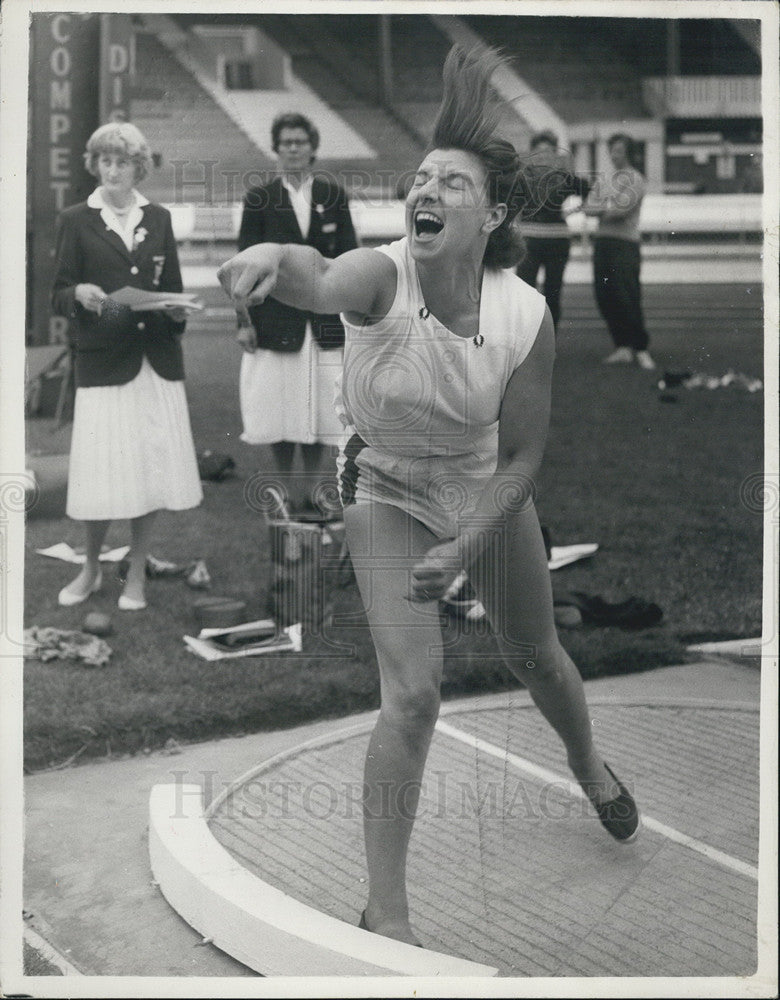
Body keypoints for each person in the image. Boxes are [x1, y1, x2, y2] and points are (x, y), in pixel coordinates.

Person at [218, 45, 640, 948]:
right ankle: (387, 910)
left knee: (537, 656)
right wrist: (267, 253)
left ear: (493, 213)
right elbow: (312, 273)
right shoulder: (381, 275)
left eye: (451, 181)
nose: (427, 188)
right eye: (420, 178)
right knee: (413, 693)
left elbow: (523, 455)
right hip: (383, 483)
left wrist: (467, 542)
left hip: (484, 484)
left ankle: (590, 766)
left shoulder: (525, 314)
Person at [51, 122, 202, 611]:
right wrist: (78, 293)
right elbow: (57, 292)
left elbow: (171, 286)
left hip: (154, 362)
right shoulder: (76, 219)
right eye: (105, 161)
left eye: (123, 162)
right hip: (104, 363)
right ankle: (92, 567)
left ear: (139, 168)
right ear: (95, 165)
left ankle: (135, 572)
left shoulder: (158, 218)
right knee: (99, 472)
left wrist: (176, 311)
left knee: (148, 471)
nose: (113, 171)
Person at [236, 112, 358, 514]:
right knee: (281, 409)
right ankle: (286, 492)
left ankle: (311, 489)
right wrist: (244, 323)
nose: (293, 149)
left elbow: (349, 257)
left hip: (324, 319)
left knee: (321, 409)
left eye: (299, 142)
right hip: (276, 319)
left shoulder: (333, 195)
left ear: (312, 148)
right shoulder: (259, 198)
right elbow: (243, 265)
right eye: (285, 143)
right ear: (276, 149)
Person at [583, 133, 656, 369]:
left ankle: (641, 348)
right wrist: (606, 206)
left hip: (625, 244)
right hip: (603, 242)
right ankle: (622, 346)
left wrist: (602, 206)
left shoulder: (636, 178)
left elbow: (620, 210)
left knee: (627, 295)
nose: (614, 155)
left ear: (630, 153)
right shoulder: (605, 179)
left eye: (619, 151)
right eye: (612, 150)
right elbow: (588, 207)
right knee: (604, 295)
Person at [517, 130, 590, 332]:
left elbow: (589, 191)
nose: (543, 157)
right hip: (529, 242)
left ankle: (549, 341)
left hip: (557, 241)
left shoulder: (564, 178)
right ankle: (525, 341)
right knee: (524, 293)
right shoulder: (522, 178)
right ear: (532, 154)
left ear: (555, 155)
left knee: (552, 295)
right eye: (539, 152)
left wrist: (573, 211)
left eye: (548, 152)